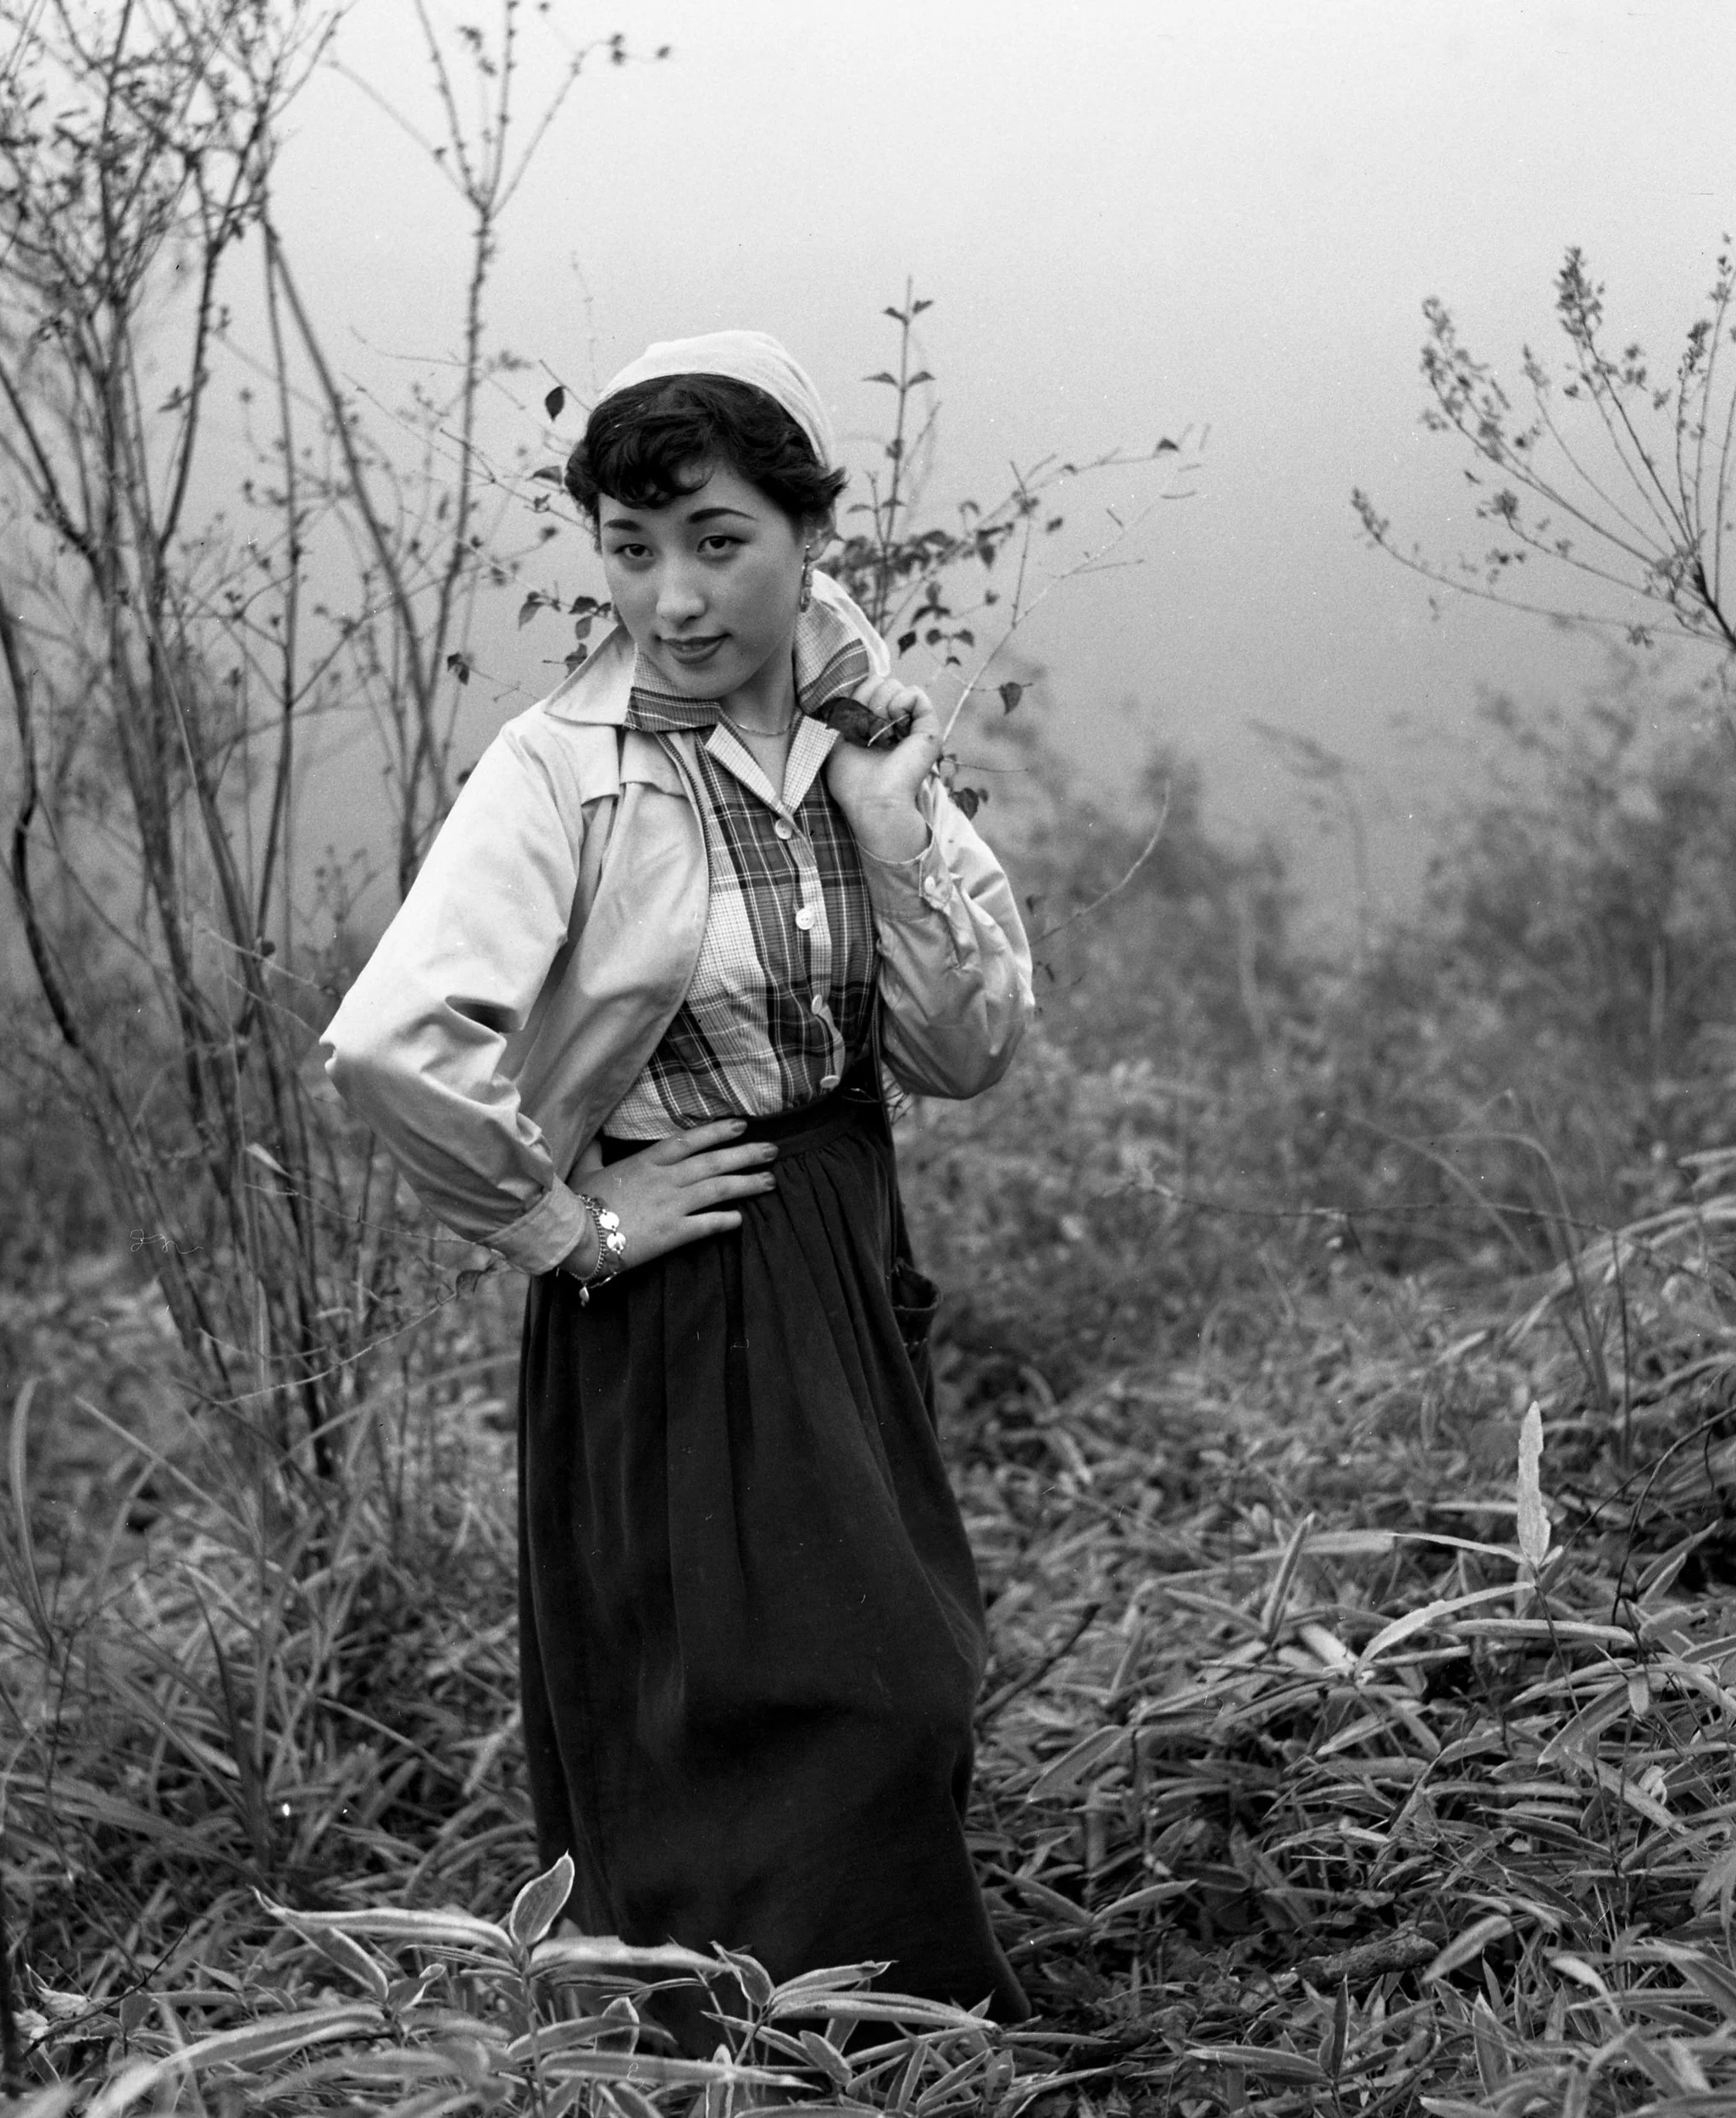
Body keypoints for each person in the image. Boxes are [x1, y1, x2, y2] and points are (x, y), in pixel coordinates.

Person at [318, 330, 1034, 2032]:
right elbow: (391, 1043)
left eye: (717, 542)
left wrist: (890, 830)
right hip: (674, 1276)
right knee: (771, 1686)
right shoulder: (562, 767)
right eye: (631, 550)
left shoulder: (861, 746)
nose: (673, 599)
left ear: (807, 534)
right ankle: (778, 2036)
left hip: (841, 1250)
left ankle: (852, 2036)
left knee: (905, 1662)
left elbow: (966, 1050)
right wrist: (563, 1222)